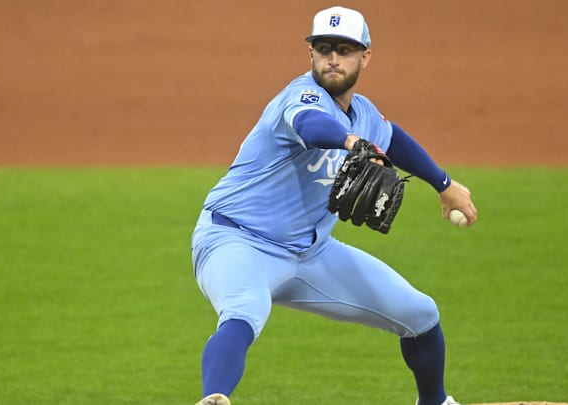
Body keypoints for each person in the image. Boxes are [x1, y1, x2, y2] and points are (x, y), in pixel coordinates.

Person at [191, 6, 477, 405]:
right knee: (244, 311)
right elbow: (311, 124)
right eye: (323, 48)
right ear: (310, 54)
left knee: (420, 314)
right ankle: (214, 398)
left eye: (345, 49)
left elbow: (393, 140)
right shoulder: (300, 97)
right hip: (237, 241)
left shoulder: (365, 114)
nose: (333, 59)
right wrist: (349, 143)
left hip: (311, 253)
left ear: (365, 56)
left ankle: (435, 402)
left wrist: (443, 185)